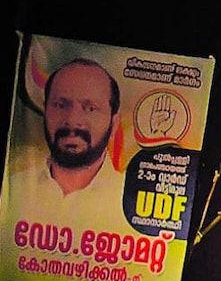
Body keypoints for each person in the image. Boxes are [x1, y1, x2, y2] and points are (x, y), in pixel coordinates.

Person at [2, 58, 127, 227]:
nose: (72, 120)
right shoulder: (12, 188)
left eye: (90, 108)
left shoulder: (129, 199)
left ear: (114, 122)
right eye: (60, 105)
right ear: (45, 111)